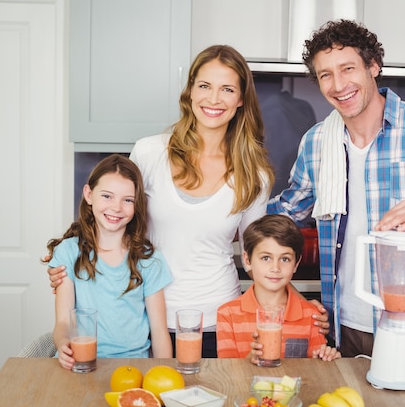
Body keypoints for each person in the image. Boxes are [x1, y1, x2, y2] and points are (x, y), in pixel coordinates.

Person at [47, 45, 329, 357]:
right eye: (205, 86)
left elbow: (260, 254)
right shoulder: (149, 153)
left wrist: (300, 308)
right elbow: (113, 218)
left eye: (227, 89)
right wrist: (70, 263)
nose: (213, 99)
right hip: (141, 318)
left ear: (240, 100)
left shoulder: (254, 173)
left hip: (216, 321)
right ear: (190, 91)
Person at [267, 20, 405, 373]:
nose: (338, 85)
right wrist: (230, 206)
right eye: (325, 75)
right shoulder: (317, 142)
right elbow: (285, 215)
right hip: (342, 325)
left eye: (348, 69)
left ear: (373, 66)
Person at [47, 154, 172, 370]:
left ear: (136, 205)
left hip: (132, 367)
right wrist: (63, 343)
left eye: (128, 200)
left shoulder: (149, 260)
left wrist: (165, 377)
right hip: (79, 365)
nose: (116, 208)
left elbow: (159, 332)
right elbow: (63, 323)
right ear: (88, 194)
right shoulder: (68, 252)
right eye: (107, 196)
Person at [216, 214, 340, 362]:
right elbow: (227, 373)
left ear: (296, 264)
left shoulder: (311, 315)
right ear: (247, 260)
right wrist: (251, 358)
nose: (275, 268)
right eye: (266, 258)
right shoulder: (227, 314)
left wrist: (326, 358)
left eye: (285, 259)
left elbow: (316, 368)